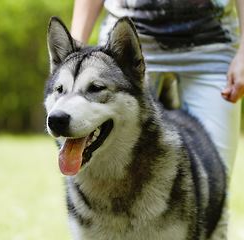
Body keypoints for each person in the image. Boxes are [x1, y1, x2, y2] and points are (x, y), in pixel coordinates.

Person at [71, 0, 244, 239]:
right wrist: (72, 54)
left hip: (213, 46)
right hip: (124, 47)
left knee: (216, 187)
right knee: (100, 175)